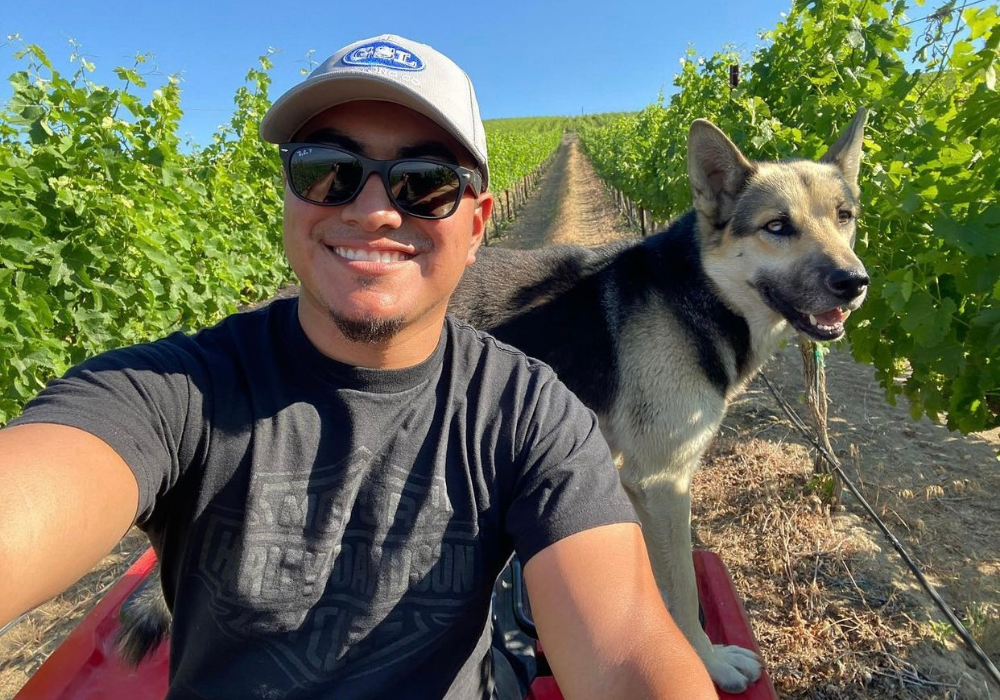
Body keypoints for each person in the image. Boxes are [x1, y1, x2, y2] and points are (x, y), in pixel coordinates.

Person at [0, 34, 717, 700]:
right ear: (288, 197)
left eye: (425, 183)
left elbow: (625, 645)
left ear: (476, 225)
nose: (373, 210)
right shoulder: (173, 393)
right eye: (329, 171)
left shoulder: (530, 414)